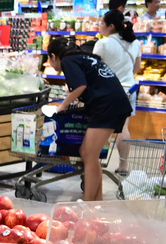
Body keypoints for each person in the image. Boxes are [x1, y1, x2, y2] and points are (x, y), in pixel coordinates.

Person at [50, 33, 133, 201]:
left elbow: (80, 86)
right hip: (112, 103)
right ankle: (96, 201)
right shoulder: (82, 57)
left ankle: (88, 204)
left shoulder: (68, 60)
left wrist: (63, 105)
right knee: (88, 153)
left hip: (107, 105)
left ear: (53, 56)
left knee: (88, 154)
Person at [95, 11, 139, 88]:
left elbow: (94, 68)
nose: (100, 26)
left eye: (102, 23)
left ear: (111, 26)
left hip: (110, 89)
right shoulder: (135, 42)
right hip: (129, 88)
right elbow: (137, 67)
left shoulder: (103, 43)